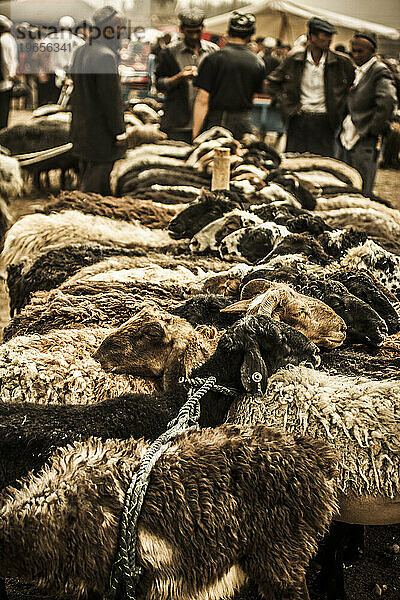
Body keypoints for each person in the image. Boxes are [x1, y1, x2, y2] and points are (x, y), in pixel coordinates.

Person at [266, 17, 355, 157]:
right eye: (325, 35)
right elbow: (271, 82)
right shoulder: (294, 60)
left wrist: (340, 108)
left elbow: (352, 88)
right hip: (299, 120)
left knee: (324, 165)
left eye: (331, 36)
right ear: (312, 37)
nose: (329, 39)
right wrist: (289, 106)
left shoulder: (342, 63)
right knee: (294, 162)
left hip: (326, 121)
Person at [70, 6, 126, 196]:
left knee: (86, 177)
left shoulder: (80, 51)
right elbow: (111, 100)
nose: (121, 31)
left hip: (82, 129)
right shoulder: (105, 57)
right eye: (118, 27)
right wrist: (119, 131)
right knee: (95, 188)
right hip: (101, 135)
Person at [192, 12, 266, 141]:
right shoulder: (258, 62)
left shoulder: (213, 59)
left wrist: (195, 135)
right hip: (243, 124)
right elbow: (253, 97)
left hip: (217, 123)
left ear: (228, 32)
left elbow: (202, 100)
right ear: (251, 35)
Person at [340, 32, 397, 193]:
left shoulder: (379, 70)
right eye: (354, 51)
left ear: (372, 52)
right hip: (351, 134)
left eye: (360, 51)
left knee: (362, 183)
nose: (356, 55)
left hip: (364, 136)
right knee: (350, 179)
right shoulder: (359, 69)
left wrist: (372, 129)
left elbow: (387, 101)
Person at [155, 9, 218, 143]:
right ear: (181, 30)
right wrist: (179, 77)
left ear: (203, 29)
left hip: (207, 123)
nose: (194, 36)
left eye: (197, 32)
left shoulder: (213, 52)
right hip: (178, 123)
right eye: (190, 32)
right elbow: (159, 84)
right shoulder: (169, 52)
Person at [38, 16, 84, 106]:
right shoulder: (76, 39)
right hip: (69, 73)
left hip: (54, 72)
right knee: (68, 102)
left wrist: (44, 65)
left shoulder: (52, 38)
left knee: (54, 101)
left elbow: (41, 48)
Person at [0, 15, 18, 129]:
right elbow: (11, 59)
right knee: (4, 108)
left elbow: (6, 60)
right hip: (6, 80)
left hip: (4, 79)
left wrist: (8, 75)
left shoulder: (3, 40)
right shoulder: (9, 39)